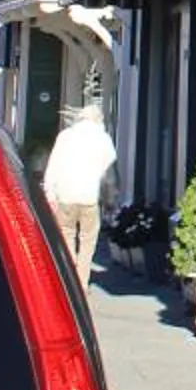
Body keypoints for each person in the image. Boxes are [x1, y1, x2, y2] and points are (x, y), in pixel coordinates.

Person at [41, 99, 118, 287]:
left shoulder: (65, 136)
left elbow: (53, 166)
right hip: (90, 197)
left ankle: (70, 270)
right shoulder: (104, 139)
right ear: (99, 120)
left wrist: (50, 192)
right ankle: (82, 281)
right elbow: (110, 175)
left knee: (66, 234)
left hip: (65, 195)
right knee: (88, 240)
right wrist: (110, 200)